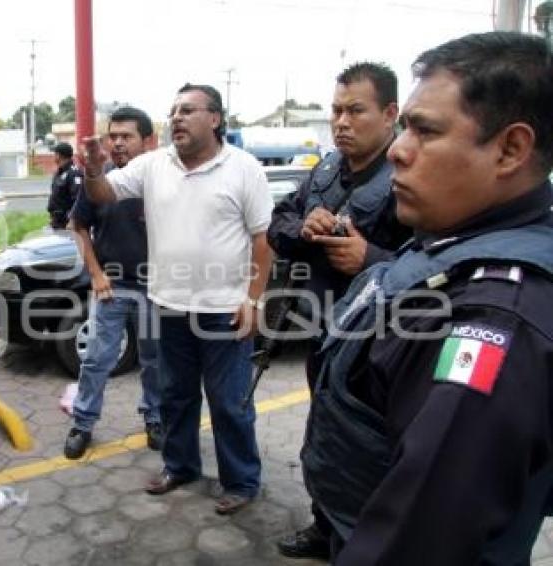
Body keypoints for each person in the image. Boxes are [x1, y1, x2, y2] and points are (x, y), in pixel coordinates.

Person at [300, 31, 553, 565]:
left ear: (511, 149)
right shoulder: (454, 237)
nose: (398, 149)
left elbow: (417, 539)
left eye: (425, 130)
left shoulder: (496, 316)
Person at [82, 84, 274, 515]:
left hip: (224, 312)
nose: (177, 118)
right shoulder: (153, 164)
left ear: (215, 118)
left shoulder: (244, 169)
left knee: (229, 403)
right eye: (173, 111)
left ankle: (242, 480)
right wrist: (93, 170)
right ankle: (181, 465)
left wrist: (254, 299)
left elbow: (264, 238)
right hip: (167, 308)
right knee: (174, 396)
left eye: (188, 110)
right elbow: (103, 195)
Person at [270, 62, 412, 560]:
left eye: (356, 111)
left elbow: (441, 265)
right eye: (336, 110)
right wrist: (304, 225)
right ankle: (324, 527)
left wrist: (370, 260)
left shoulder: (411, 174)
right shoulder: (327, 169)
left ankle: (367, 542)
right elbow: (277, 224)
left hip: (386, 349)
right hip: (326, 335)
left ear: (390, 113)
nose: (342, 122)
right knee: (327, 437)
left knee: (374, 450)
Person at [63, 106, 162, 459]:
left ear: (148, 141)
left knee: (155, 359)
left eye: (127, 136)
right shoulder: (98, 178)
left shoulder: (161, 179)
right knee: (97, 359)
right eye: (113, 136)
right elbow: (78, 227)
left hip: (156, 288)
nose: (118, 143)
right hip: (113, 286)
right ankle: (83, 423)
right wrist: (96, 273)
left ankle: (155, 417)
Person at [47, 142, 83, 229]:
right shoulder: (59, 173)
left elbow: (78, 199)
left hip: (67, 223)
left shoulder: (74, 173)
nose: (54, 156)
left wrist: (72, 220)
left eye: (55, 154)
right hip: (57, 221)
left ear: (59, 155)